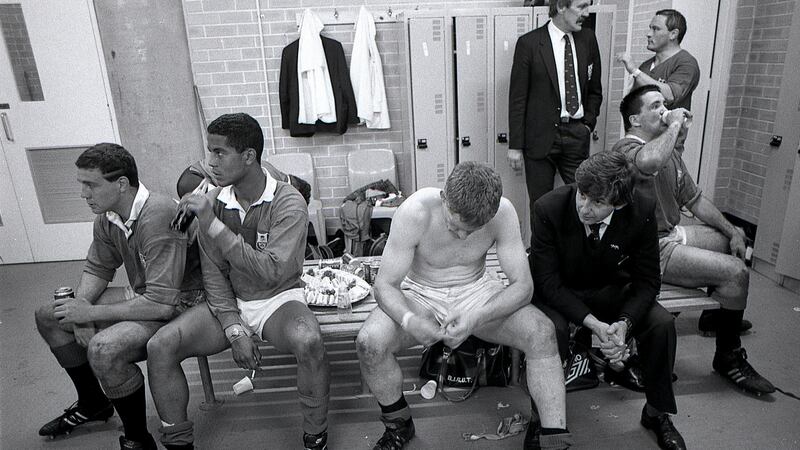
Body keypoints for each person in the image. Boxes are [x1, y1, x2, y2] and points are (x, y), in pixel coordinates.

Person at [146, 113, 330, 450]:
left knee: (309, 342)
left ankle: (315, 436)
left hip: (279, 299)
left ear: (248, 157)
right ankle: (178, 442)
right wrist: (234, 330)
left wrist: (213, 225)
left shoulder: (288, 201)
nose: (210, 162)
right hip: (230, 301)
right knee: (160, 346)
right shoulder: (214, 202)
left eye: (219, 153)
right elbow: (214, 275)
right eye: (209, 151)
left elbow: (272, 271)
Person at [356, 162, 570, 450]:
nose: (461, 237)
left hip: (477, 291)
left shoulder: (503, 212)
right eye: (454, 227)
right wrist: (409, 320)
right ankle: (399, 425)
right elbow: (384, 286)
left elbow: (523, 287)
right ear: (444, 197)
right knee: (370, 342)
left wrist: (477, 316)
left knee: (542, 332)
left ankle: (549, 435)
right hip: (422, 294)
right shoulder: (415, 211)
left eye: (472, 231)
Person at [34, 143, 204, 449]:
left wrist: (90, 315)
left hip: (184, 303)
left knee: (104, 348)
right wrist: (80, 307)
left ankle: (138, 438)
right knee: (51, 314)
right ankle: (92, 403)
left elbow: (163, 304)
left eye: (91, 185)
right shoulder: (108, 215)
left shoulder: (159, 214)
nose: (83, 194)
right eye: (82, 185)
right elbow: (98, 268)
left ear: (121, 184)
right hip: (148, 295)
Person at [613, 85, 775, 396]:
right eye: (656, 106)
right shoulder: (625, 150)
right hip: (649, 250)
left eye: (666, 105)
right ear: (635, 119)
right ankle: (728, 356)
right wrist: (674, 123)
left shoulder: (669, 153)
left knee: (732, 241)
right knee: (736, 272)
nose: (665, 110)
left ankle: (717, 317)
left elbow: (696, 200)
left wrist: (732, 230)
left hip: (673, 235)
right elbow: (649, 163)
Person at [531, 152, 685, 450]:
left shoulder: (641, 210)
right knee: (551, 331)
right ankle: (542, 419)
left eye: (597, 203)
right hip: (562, 292)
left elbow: (648, 280)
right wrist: (594, 325)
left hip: (612, 291)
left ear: (620, 203)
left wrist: (624, 325)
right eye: (582, 195)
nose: (584, 208)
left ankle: (656, 412)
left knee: (661, 324)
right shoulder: (548, 209)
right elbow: (547, 283)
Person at [509, 0, 603, 225]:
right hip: (540, 138)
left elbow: (595, 89)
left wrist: (587, 124)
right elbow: (518, 98)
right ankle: (541, 255)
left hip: (577, 133)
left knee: (584, 200)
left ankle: (575, 252)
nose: (586, 13)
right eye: (581, 7)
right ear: (561, 6)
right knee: (540, 204)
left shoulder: (588, 39)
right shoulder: (529, 43)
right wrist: (515, 145)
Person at [616, 9, 700, 157]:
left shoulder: (686, 63)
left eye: (655, 29)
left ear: (673, 34)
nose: (648, 34)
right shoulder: (646, 66)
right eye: (650, 28)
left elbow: (670, 95)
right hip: (638, 147)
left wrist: (634, 71)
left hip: (665, 150)